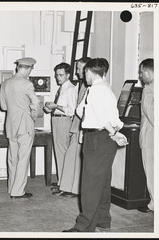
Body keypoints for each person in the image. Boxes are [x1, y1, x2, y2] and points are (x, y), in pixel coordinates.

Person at [63, 58, 128, 232]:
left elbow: (98, 115)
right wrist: (115, 132)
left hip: (98, 138)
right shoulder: (107, 88)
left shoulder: (95, 90)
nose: (84, 75)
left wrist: (113, 133)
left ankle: (84, 226)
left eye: (84, 72)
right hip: (106, 139)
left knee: (90, 184)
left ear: (90, 72)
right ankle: (102, 219)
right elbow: (110, 116)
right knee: (103, 183)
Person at [0, 57, 39, 199]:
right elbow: (36, 103)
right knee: (23, 158)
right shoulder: (27, 84)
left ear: (18, 67)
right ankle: (18, 191)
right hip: (24, 124)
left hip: (10, 124)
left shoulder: (5, 84)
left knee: (12, 157)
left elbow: (3, 107)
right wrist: (33, 116)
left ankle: (11, 187)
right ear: (28, 69)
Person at [53, 57, 90, 197]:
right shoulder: (79, 86)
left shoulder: (74, 88)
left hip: (74, 124)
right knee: (66, 155)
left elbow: (74, 109)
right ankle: (65, 184)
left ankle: (70, 187)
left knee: (70, 156)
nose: (77, 72)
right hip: (72, 124)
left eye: (80, 69)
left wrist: (56, 106)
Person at [43, 63, 78, 189]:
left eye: (61, 75)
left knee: (63, 152)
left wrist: (56, 106)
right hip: (57, 120)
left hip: (64, 121)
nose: (58, 77)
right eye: (57, 75)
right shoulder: (62, 88)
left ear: (68, 75)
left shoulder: (71, 89)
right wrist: (50, 108)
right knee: (59, 152)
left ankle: (65, 185)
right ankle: (61, 182)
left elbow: (72, 110)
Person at [137, 58, 154, 213]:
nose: (141, 76)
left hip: (150, 138)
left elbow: (151, 115)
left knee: (151, 171)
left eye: (142, 72)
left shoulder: (148, 89)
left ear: (149, 72)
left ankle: (154, 203)